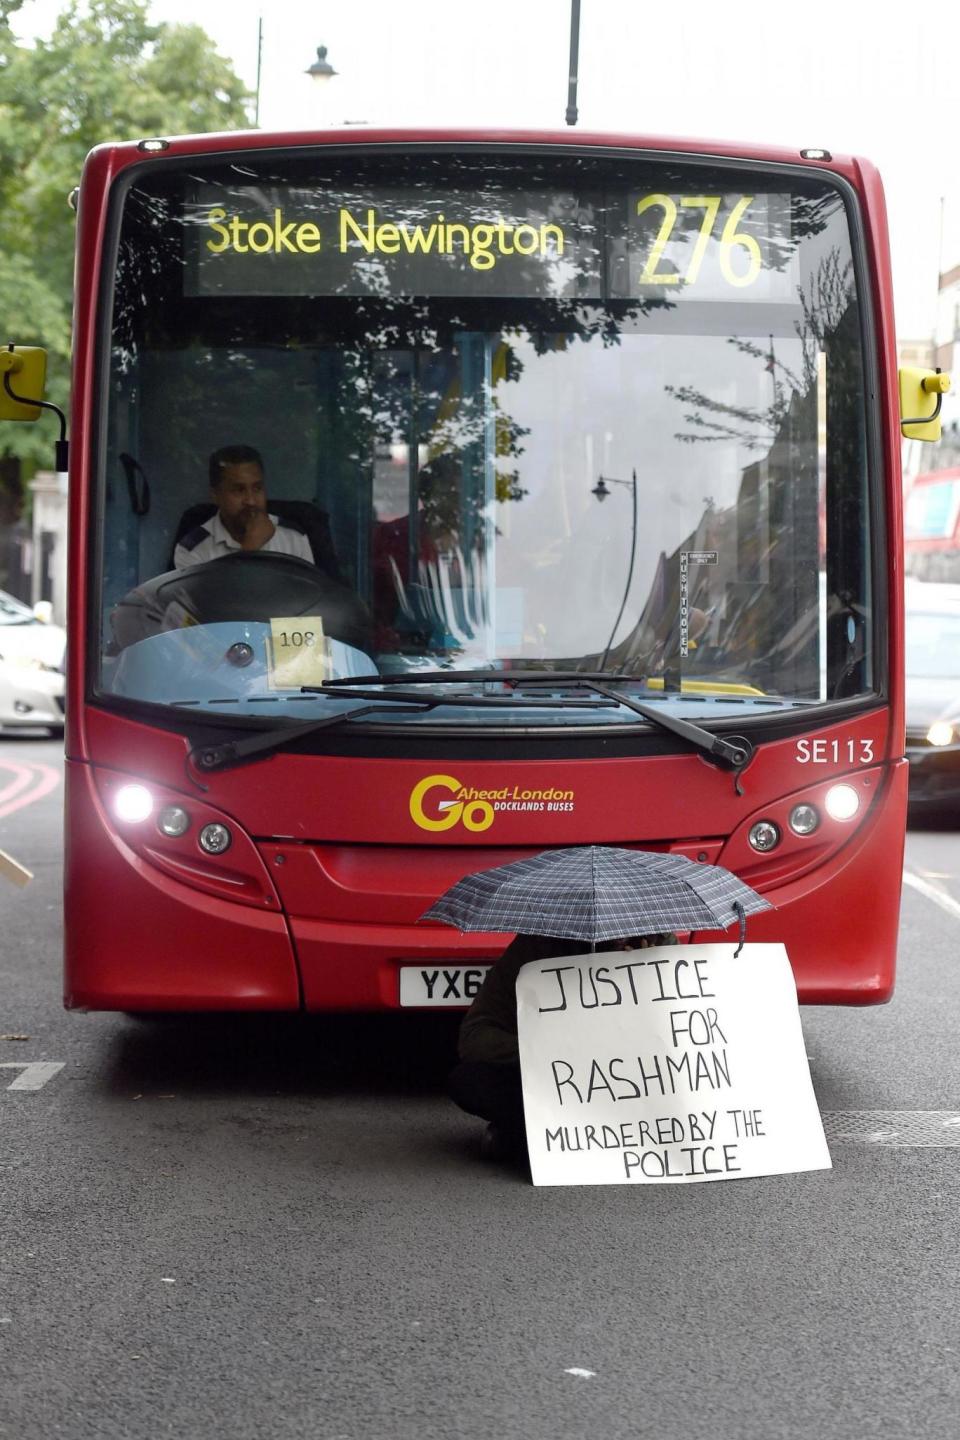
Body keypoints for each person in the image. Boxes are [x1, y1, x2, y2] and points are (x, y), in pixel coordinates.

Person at [448, 929, 678, 1164]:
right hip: (555, 1079)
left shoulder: (659, 941)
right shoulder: (537, 945)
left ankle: (525, 1137)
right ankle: (544, 1133)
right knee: (469, 1081)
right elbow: (474, 1036)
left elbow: (683, 1036)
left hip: (627, 1081)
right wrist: (548, 1048)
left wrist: (648, 980)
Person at [173, 445, 316, 569]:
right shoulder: (193, 551)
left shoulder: (293, 538)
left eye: (257, 488)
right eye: (239, 490)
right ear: (215, 495)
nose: (251, 501)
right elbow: (211, 601)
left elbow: (310, 598)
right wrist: (250, 551)